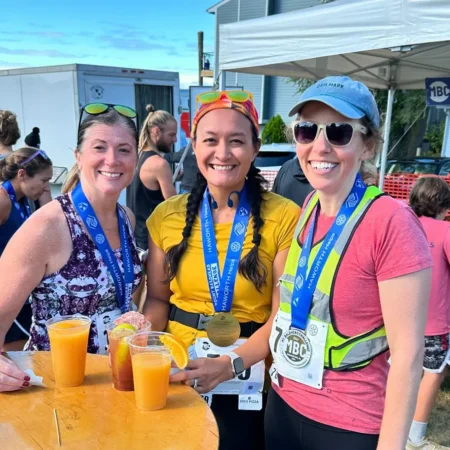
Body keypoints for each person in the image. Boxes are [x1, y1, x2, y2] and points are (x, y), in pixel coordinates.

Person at [264, 76, 433, 450]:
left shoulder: (391, 223)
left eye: (339, 132)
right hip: (285, 404)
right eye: (306, 131)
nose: (318, 146)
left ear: (368, 145)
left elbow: (408, 356)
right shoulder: (308, 207)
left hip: (348, 426)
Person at [144, 90, 300, 450]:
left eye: (237, 141)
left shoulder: (286, 216)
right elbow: (156, 299)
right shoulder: (165, 216)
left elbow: (282, 316)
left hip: (248, 375)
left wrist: (229, 365)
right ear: (194, 145)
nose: (223, 153)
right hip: (177, 372)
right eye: (211, 140)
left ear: (255, 148)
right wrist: (137, 347)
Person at [0, 104, 143, 391]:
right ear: (78, 156)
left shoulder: (126, 218)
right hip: (56, 389)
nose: (112, 160)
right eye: (99, 147)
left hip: (118, 384)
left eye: (124, 150)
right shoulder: (47, 226)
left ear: (136, 159)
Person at [407, 177, 450, 450]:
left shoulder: (402, 224)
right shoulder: (446, 232)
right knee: (433, 374)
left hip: (396, 320)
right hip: (435, 322)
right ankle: (414, 436)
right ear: (443, 205)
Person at [0, 148, 53, 351]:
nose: (47, 187)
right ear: (22, 174)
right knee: (12, 354)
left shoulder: (26, 200)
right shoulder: (3, 200)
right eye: (43, 180)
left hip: (22, 290)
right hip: (6, 290)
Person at [126, 105, 177, 250]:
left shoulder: (136, 157)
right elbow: (174, 206)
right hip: (152, 241)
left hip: (135, 237)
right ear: (156, 131)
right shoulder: (159, 164)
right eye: (171, 135)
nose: (175, 139)